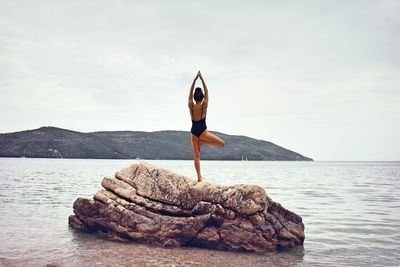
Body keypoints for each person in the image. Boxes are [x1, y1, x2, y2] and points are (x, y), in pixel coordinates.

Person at [188, 70, 225, 182]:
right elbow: (207, 91)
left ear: (194, 97)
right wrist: (202, 79)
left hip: (194, 133)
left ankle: (199, 178)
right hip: (203, 132)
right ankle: (204, 141)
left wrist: (195, 80)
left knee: (197, 156)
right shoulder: (204, 105)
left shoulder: (191, 106)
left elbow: (189, 93)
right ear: (202, 96)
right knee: (222, 144)